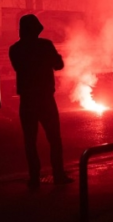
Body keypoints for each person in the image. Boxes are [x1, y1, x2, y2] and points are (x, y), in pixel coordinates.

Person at [9, 14, 73, 190]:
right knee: (54, 139)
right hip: (45, 99)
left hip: (27, 101)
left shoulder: (15, 49)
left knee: (30, 141)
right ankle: (58, 174)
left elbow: (18, 67)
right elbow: (59, 64)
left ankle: (34, 178)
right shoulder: (45, 45)